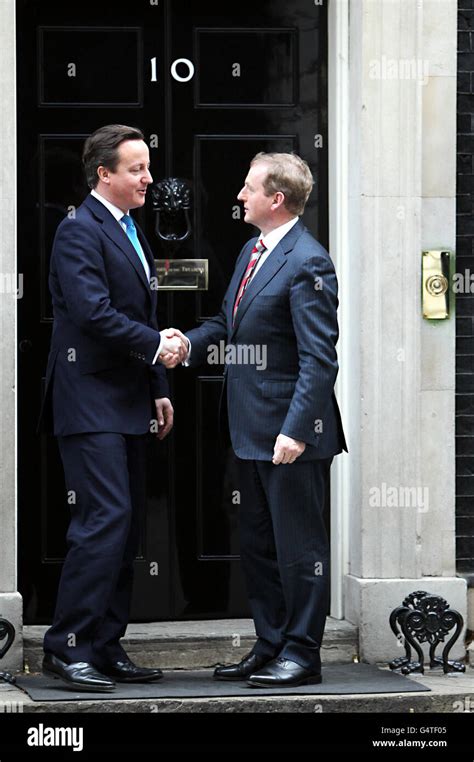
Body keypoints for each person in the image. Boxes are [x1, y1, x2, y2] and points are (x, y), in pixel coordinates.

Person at [162, 153, 347, 687]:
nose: (239, 196)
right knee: (259, 549)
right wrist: (184, 344)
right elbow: (225, 322)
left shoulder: (308, 261)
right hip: (248, 433)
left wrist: (294, 430)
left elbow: (319, 358)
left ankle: (302, 654)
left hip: (291, 436)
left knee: (300, 550)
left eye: (248, 188)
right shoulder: (252, 251)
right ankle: (270, 644)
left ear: (277, 199)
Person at [39, 124, 186, 692]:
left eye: (147, 167)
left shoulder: (128, 228)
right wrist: (157, 347)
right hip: (90, 400)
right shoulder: (78, 230)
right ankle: (65, 646)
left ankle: (104, 644)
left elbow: (140, 315)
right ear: (105, 174)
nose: (149, 178)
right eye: (137, 169)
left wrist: (158, 386)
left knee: (126, 532)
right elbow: (93, 313)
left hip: (127, 401)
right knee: (103, 521)